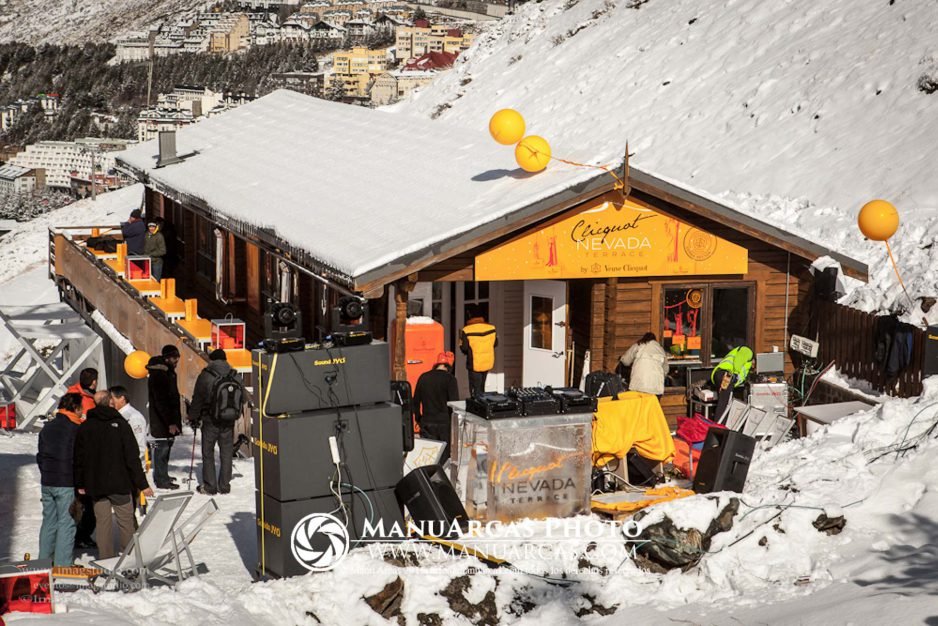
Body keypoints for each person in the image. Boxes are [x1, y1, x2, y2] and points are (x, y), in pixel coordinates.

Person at [73, 391, 153, 560]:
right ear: (110, 402)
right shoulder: (121, 424)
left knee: (102, 523)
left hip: (96, 484)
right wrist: (142, 484)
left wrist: (80, 483)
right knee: (125, 522)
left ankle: (105, 559)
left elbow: (79, 458)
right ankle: (129, 558)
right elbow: (132, 457)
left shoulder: (85, 427)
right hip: (120, 483)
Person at [36, 393, 83, 566]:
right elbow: (78, 458)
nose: (82, 412)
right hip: (66, 481)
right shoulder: (75, 428)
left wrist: (45, 472)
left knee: (49, 521)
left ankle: (43, 561)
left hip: (47, 480)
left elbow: (40, 455)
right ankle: (63, 564)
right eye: (81, 408)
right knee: (67, 522)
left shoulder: (47, 427)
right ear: (75, 408)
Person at [187, 349, 237, 495]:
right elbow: (243, 398)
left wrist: (193, 416)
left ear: (212, 360)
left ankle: (210, 486)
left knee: (208, 453)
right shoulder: (234, 374)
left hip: (210, 420)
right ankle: (224, 486)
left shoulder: (206, 375)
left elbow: (198, 398)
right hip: (228, 421)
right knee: (226, 453)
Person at [413, 352, 459, 462]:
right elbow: (454, 404)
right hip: (444, 424)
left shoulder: (424, 377)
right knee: (443, 458)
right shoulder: (450, 379)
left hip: (427, 422)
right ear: (448, 366)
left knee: (429, 456)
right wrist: (454, 424)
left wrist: (419, 419)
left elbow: (415, 401)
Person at [147, 345, 182, 490]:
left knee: (166, 448)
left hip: (167, 419)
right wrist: (170, 422)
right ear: (167, 358)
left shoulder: (168, 372)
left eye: (178, 357)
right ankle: (161, 479)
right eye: (174, 358)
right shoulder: (159, 375)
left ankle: (163, 475)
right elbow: (161, 401)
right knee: (162, 449)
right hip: (162, 421)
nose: (177, 360)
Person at [459, 305, 497, 397]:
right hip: (487, 361)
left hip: (474, 363)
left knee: (475, 389)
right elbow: (495, 343)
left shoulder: (466, 330)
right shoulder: (491, 328)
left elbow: (464, 348)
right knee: (482, 387)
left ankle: (475, 403)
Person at [710, 346, 754, 422]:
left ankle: (720, 424)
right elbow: (739, 359)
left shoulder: (746, 360)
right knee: (724, 403)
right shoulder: (748, 351)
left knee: (724, 402)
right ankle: (719, 426)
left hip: (722, 374)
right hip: (727, 375)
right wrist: (735, 375)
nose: (753, 367)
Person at [109, 386, 147, 465]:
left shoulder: (133, 416)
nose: (110, 402)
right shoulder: (115, 415)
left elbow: (140, 445)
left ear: (122, 398)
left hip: (132, 466)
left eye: (111, 398)